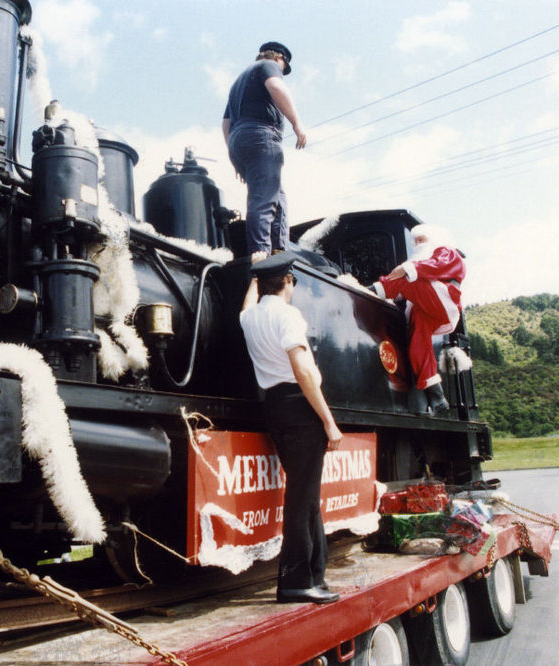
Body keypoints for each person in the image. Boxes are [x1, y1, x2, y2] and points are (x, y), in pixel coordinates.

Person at [239, 252, 342, 604]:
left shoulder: (250, 318)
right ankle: (296, 582)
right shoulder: (288, 315)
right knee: (302, 498)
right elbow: (304, 371)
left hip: (275, 407)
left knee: (306, 495)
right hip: (301, 408)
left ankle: (315, 575)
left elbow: (247, 305)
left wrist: (254, 277)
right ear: (287, 282)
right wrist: (329, 422)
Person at [222, 42, 308, 263]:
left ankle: (279, 250)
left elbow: (225, 123)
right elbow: (276, 87)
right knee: (264, 199)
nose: (282, 72)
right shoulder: (269, 65)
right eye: (284, 66)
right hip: (261, 135)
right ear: (279, 57)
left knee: (277, 196)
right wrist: (297, 123)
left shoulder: (238, 83)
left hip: (238, 140)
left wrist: (235, 157)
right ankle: (262, 255)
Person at [370, 225, 466, 415]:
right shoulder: (421, 267)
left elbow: (436, 266)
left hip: (445, 300)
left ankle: (369, 290)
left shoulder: (446, 251)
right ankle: (438, 397)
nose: (417, 244)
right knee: (418, 346)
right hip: (427, 308)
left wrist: (406, 269)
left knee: (406, 279)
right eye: (416, 241)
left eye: (421, 239)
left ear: (432, 238)